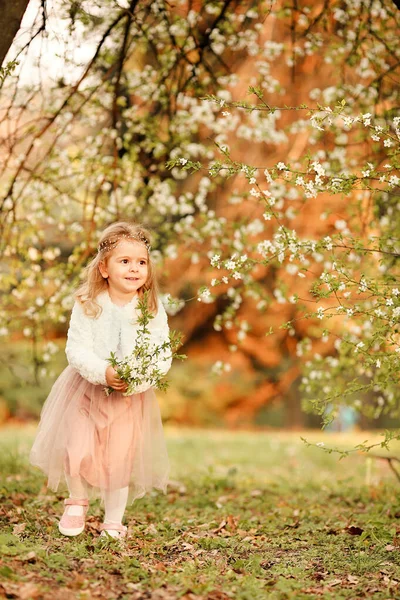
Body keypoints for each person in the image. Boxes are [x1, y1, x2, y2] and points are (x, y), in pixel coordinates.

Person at [29, 221, 172, 540]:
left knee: (119, 458)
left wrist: (136, 379)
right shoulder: (88, 303)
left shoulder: (150, 308)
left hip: (127, 397)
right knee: (75, 445)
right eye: (125, 261)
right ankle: (76, 500)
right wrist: (102, 371)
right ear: (104, 268)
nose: (134, 269)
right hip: (85, 388)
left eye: (141, 262)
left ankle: (113, 520)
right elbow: (76, 348)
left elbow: (161, 353)